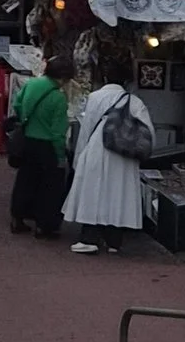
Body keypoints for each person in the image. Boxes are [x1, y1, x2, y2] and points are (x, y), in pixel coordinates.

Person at [64, 68, 150, 254]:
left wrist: (78, 158)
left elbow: (86, 128)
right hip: (125, 153)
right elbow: (148, 132)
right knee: (119, 194)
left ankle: (89, 238)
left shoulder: (95, 97)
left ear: (104, 78)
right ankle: (114, 241)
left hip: (98, 146)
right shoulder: (135, 102)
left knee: (93, 192)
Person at [8, 60, 69, 236]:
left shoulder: (32, 84)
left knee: (25, 180)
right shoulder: (58, 97)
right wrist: (60, 155)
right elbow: (58, 131)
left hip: (28, 140)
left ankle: (18, 218)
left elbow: (17, 104)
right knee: (50, 187)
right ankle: (44, 225)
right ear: (62, 77)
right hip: (47, 145)